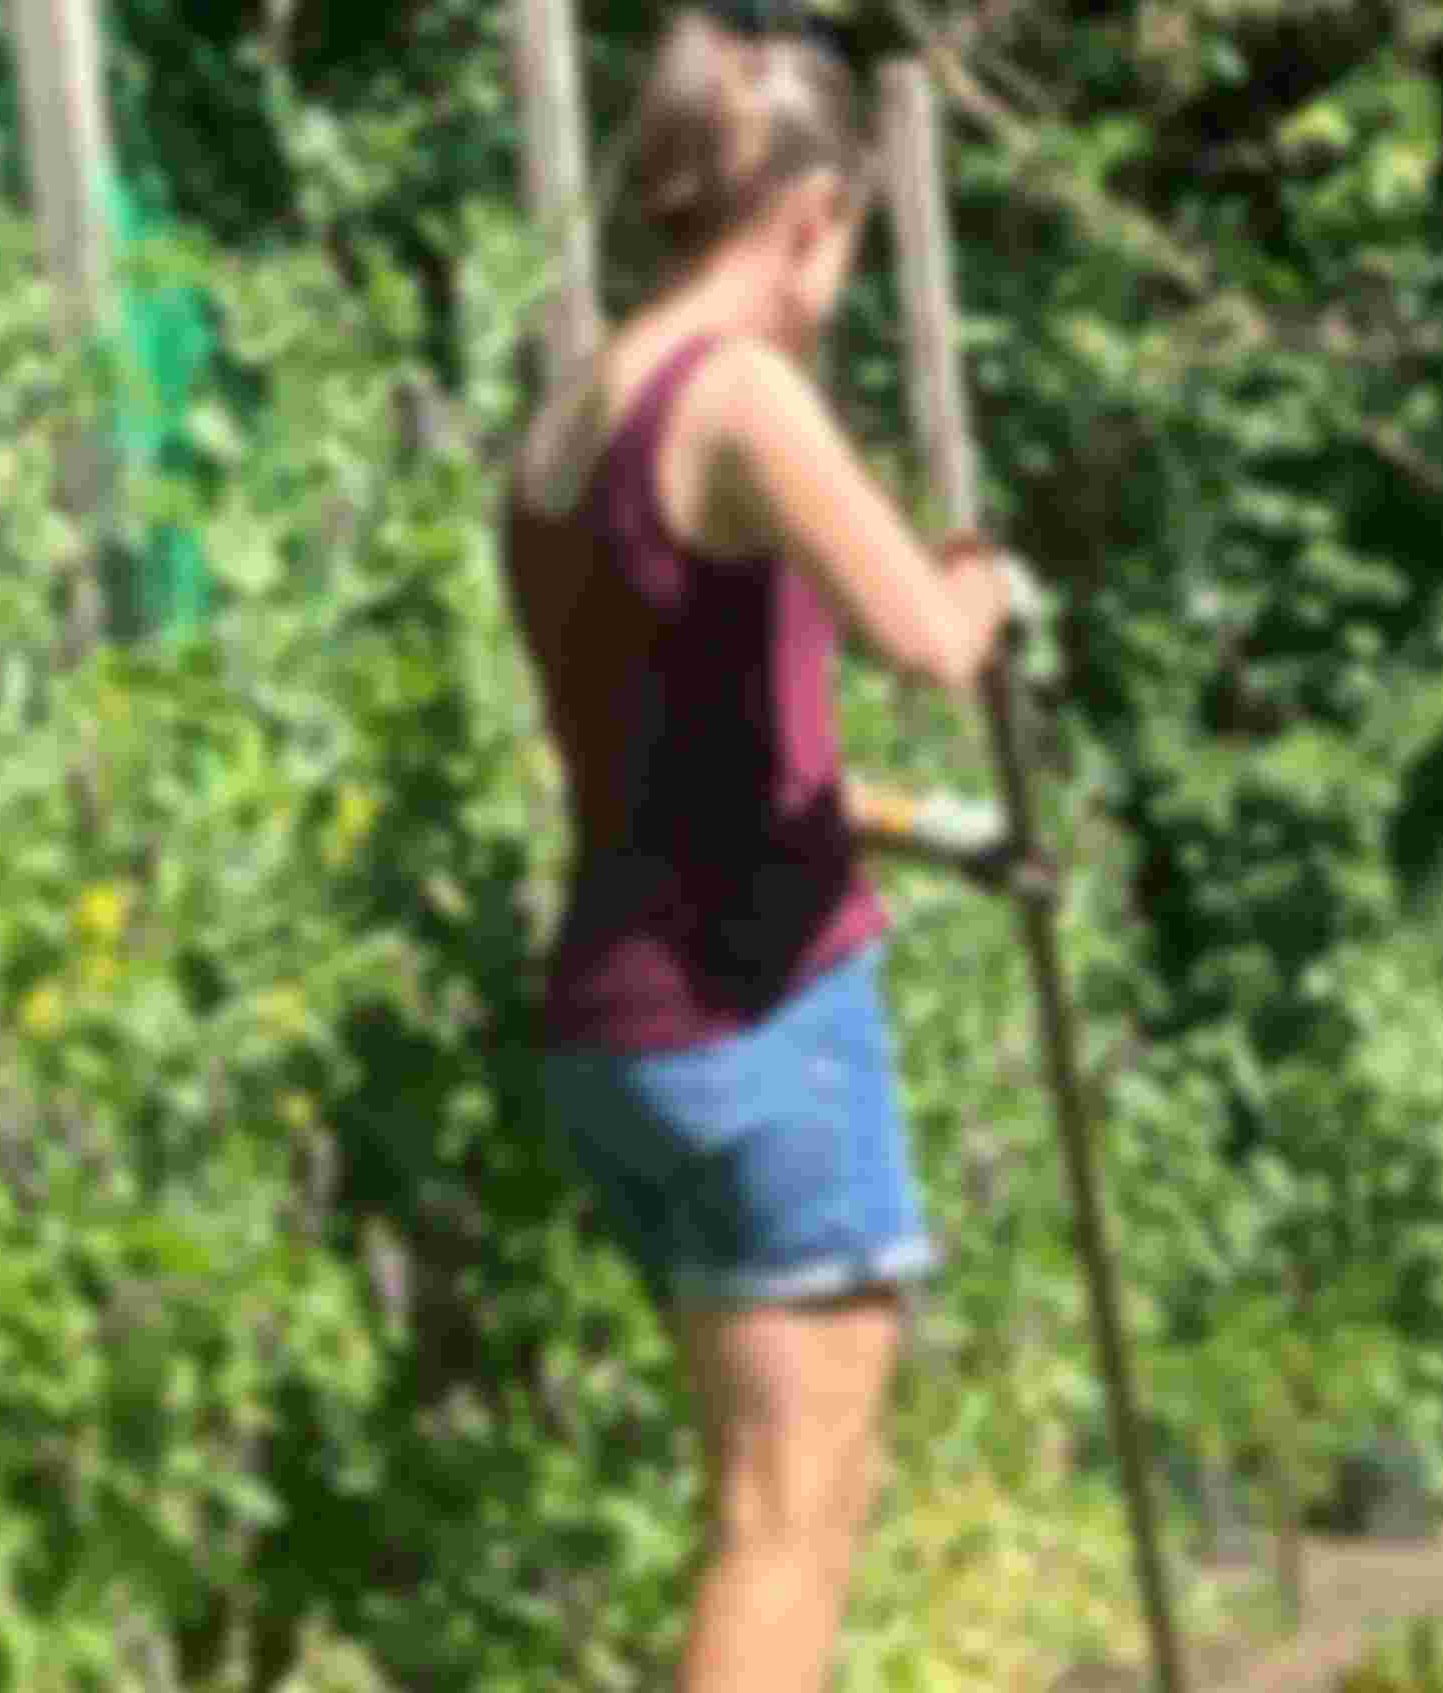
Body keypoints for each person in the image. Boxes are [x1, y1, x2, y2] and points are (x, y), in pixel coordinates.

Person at [496, 9, 1019, 1689]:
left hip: (618, 1027)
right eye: (842, 246)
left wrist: (915, 823)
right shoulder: (736, 394)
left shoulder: (572, 416)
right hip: (757, 1020)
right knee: (795, 1520)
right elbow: (928, 637)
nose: (834, 290)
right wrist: (986, 584)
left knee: (751, 1503)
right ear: (809, 213)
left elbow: (675, 756)